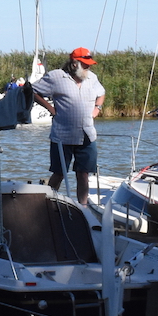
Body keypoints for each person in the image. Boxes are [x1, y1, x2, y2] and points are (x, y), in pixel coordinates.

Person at [31, 47, 106, 205]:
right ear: (74, 64)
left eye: (89, 64)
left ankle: (83, 207)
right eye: (85, 65)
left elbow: (102, 92)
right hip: (62, 135)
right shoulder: (56, 77)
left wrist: (97, 108)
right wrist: (50, 108)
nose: (88, 67)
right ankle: (48, 204)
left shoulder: (92, 78)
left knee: (83, 173)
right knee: (59, 173)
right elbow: (33, 90)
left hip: (87, 135)